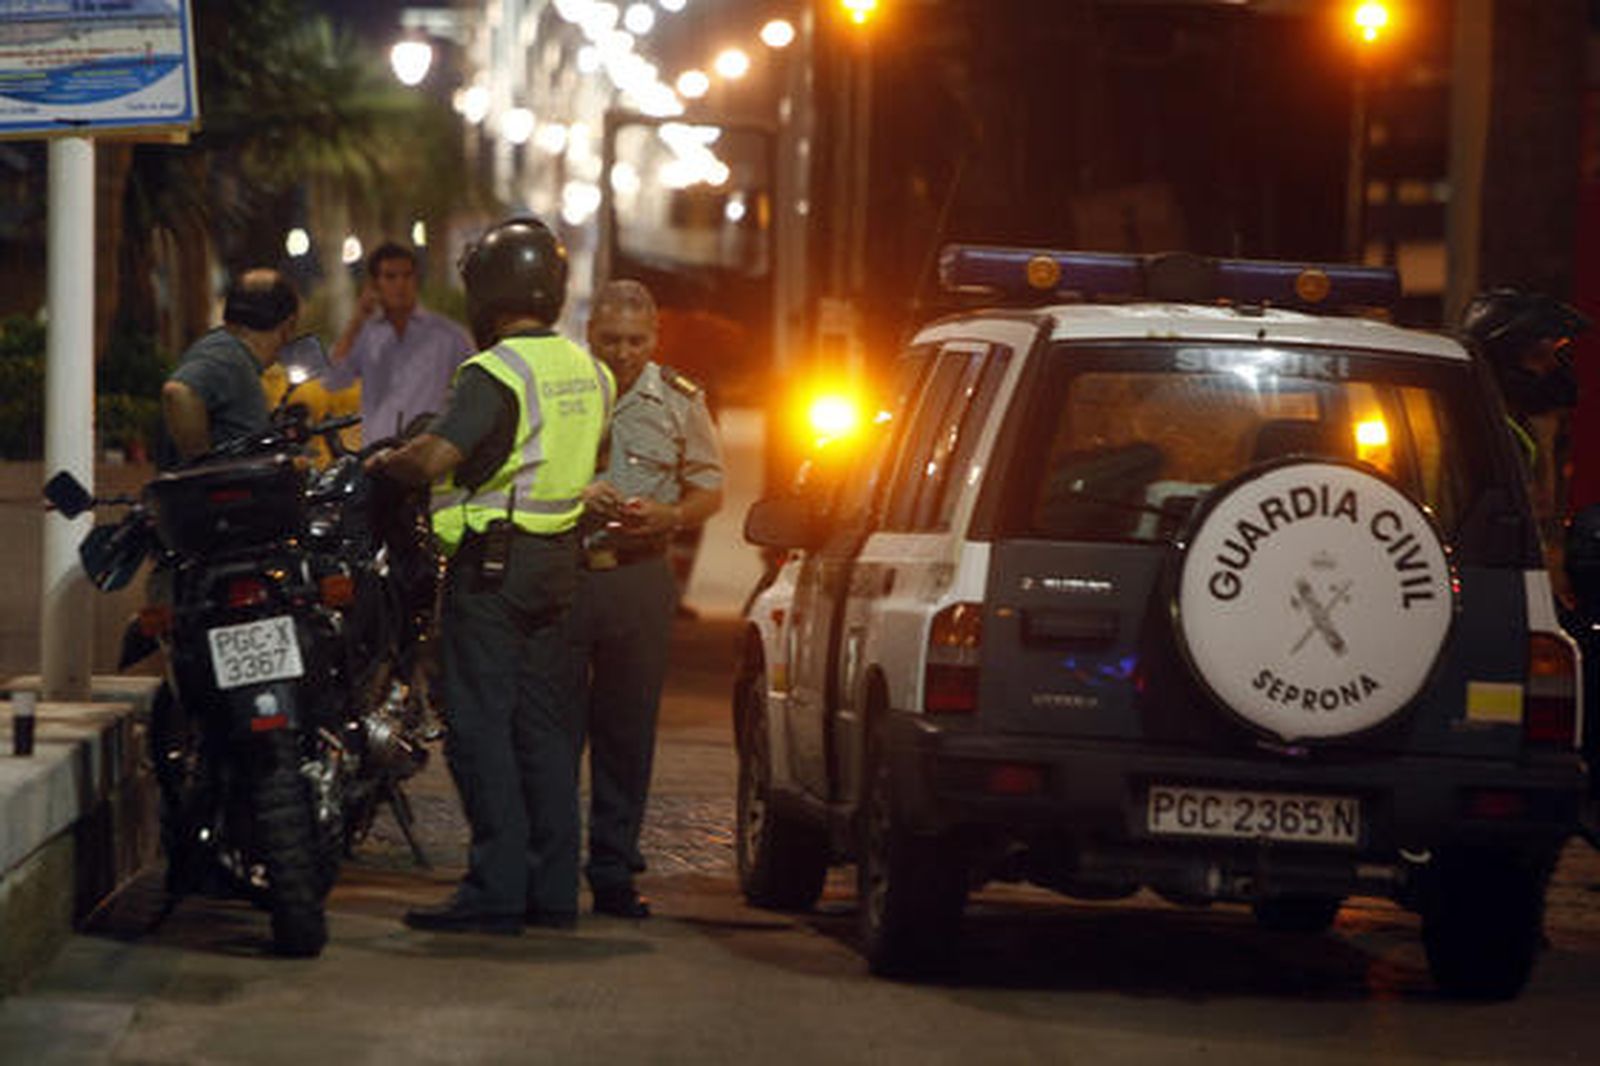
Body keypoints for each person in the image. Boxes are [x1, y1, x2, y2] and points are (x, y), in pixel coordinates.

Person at [366, 217, 615, 934]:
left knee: (479, 730)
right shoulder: (590, 370)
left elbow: (438, 456)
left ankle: (496, 889)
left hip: (495, 573)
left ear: (488, 292)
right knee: (547, 733)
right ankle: (552, 892)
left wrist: (387, 463)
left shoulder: (496, 371)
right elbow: (584, 460)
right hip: (560, 568)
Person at [570, 279, 724, 918]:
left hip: (638, 578)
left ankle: (613, 870)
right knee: (552, 732)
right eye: (611, 340)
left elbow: (710, 487)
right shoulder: (566, 390)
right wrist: (576, 496)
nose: (624, 352)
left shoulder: (680, 400)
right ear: (590, 335)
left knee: (626, 731)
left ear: (655, 337)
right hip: (567, 576)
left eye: (636, 340)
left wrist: (672, 516)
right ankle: (546, 869)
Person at [327, 241, 475, 444]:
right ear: (375, 284)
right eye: (390, 277)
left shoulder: (447, 335)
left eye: (407, 276)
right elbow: (332, 381)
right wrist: (356, 321)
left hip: (427, 451)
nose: (400, 284)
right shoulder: (365, 335)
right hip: (377, 451)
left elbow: (474, 385)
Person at [158, 268, 301, 468]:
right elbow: (178, 392)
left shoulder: (235, 355)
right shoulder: (228, 356)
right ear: (288, 327)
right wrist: (203, 468)